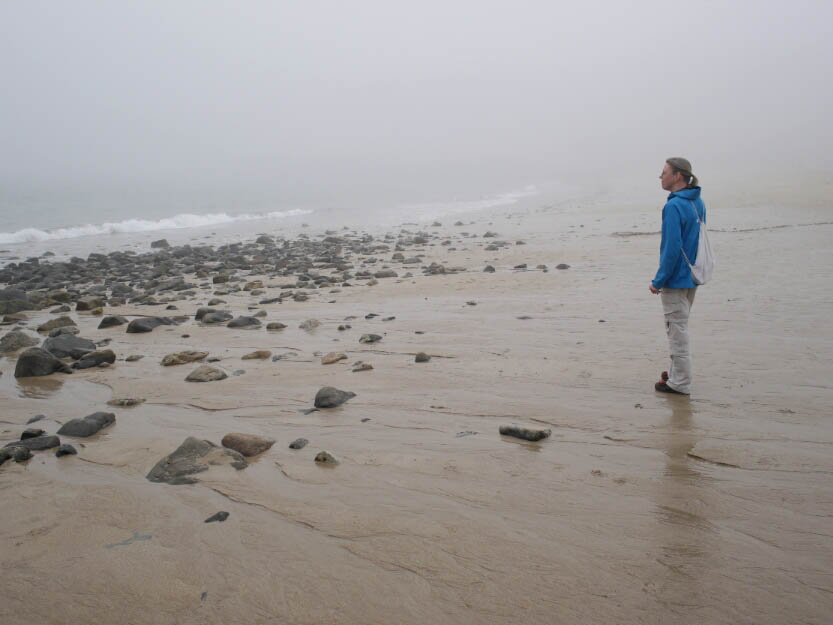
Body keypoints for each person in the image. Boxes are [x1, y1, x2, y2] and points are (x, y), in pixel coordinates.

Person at [649, 157, 705, 395]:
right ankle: (675, 374)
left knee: (676, 331)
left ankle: (679, 383)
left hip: (675, 278)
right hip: (693, 275)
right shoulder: (697, 201)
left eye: (664, 172)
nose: (660, 176)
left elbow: (672, 247)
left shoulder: (673, 206)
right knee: (679, 327)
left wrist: (658, 280)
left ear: (678, 176)